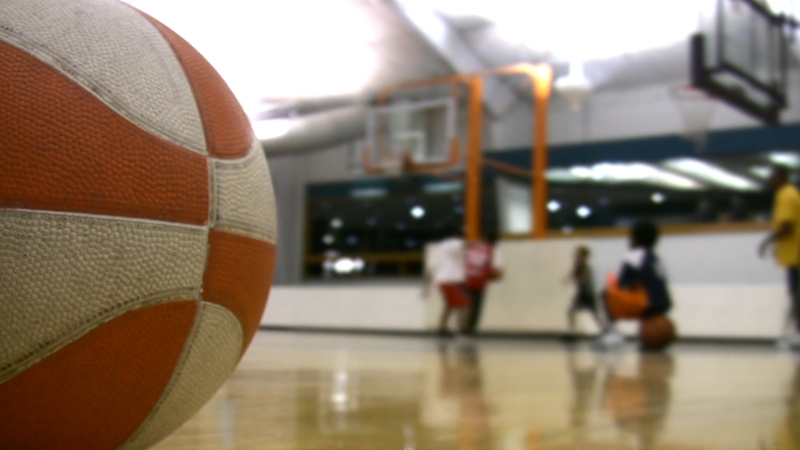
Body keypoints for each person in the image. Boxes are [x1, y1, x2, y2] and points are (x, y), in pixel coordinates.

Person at [595, 221, 673, 350]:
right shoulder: (655, 257)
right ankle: (648, 339)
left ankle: (613, 333)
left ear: (635, 238)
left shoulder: (634, 255)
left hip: (648, 303)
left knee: (605, 294)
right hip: (664, 303)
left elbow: (622, 284)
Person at [758, 165, 800, 350]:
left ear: (781, 176)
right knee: (795, 295)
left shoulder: (785, 195)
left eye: (772, 176)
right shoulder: (791, 193)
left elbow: (787, 226)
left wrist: (767, 241)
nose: (769, 180)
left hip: (796, 255)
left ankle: (798, 334)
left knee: (797, 295)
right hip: (793, 253)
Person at [424, 236, 471, 336]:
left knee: (450, 305)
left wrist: (427, 287)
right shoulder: (453, 243)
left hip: (441, 281)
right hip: (452, 280)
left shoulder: (437, 250)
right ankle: (463, 328)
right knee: (465, 303)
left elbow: (430, 270)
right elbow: (465, 244)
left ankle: (442, 327)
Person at [463, 232, 503, 335]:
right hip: (479, 281)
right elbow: (495, 271)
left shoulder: (474, 246)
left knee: (465, 304)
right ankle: (470, 329)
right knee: (476, 305)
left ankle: (463, 327)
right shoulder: (491, 250)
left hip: (467, 278)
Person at [566, 245, 604, 337]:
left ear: (584, 255)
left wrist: (575, 279)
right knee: (571, 311)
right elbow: (573, 275)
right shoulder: (578, 266)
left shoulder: (586, 267)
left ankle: (604, 330)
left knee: (595, 313)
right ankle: (572, 331)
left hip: (588, 293)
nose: (576, 256)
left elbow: (584, 279)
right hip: (582, 293)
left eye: (578, 254)